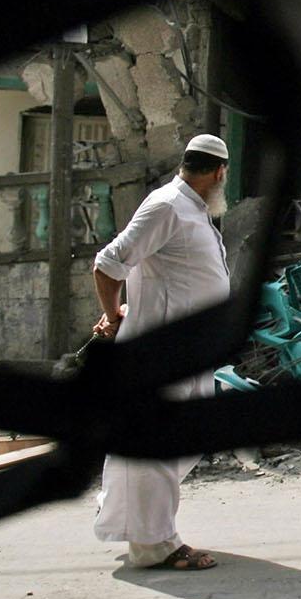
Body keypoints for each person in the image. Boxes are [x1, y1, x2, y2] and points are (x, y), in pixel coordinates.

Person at [90, 133, 232, 571]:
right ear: (218, 172)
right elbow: (109, 263)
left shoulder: (191, 208)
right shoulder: (167, 205)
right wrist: (113, 317)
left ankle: (132, 517)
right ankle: (155, 544)